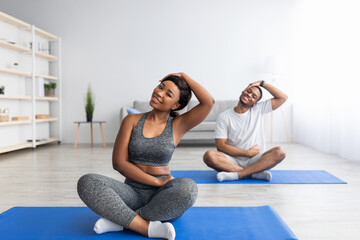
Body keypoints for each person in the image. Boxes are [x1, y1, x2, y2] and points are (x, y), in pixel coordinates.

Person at [77, 73, 214, 240]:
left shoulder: (178, 125)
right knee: (87, 181)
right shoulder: (131, 120)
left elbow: (208, 102)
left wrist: (184, 75)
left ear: (176, 105)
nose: (159, 92)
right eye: (161, 86)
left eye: (168, 94)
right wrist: (156, 181)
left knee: (189, 188)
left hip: (162, 196)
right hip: (131, 192)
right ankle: (146, 227)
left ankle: (121, 221)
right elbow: (119, 163)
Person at [203, 80, 287, 182]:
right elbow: (221, 146)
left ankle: (237, 174)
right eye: (249, 91)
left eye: (254, 96)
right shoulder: (224, 116)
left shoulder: (259, 109)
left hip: (256, 159)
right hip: (231, 161)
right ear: (243, 91)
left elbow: (282, 97)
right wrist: (247, 153)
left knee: (280, 152)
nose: (249, 95)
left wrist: (262, 83)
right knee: (209, 156)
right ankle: (253, 174)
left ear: (255, 103)